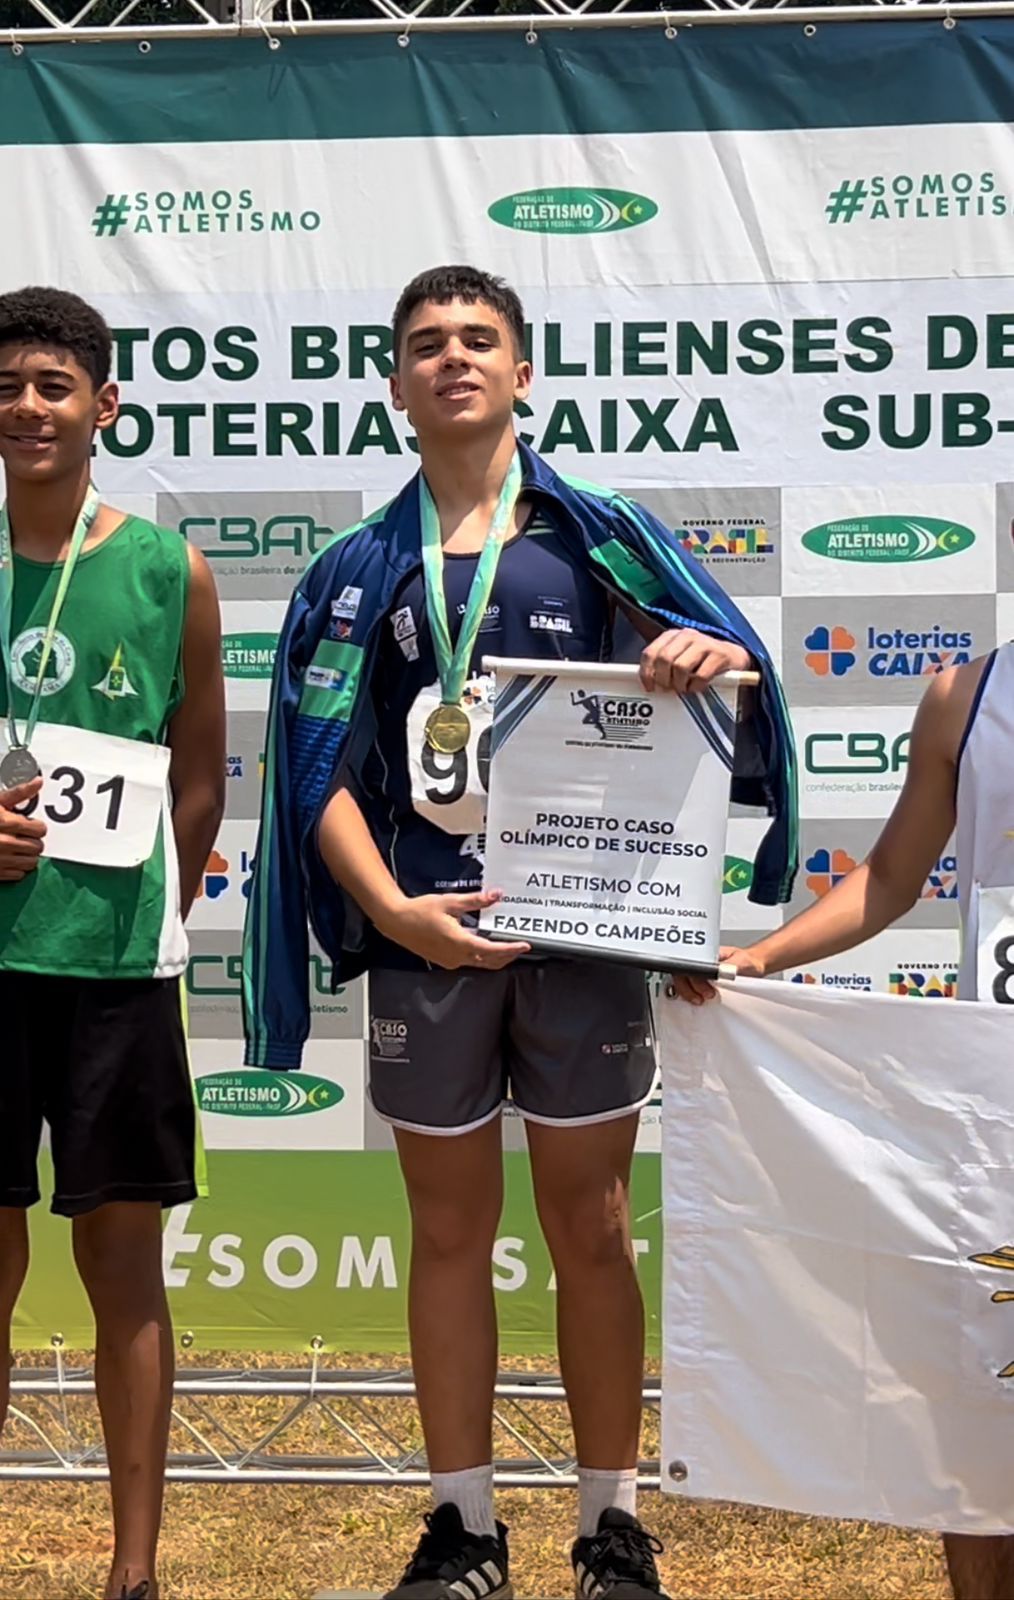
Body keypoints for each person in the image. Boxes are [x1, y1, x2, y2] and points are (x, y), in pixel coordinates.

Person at [244, 264, 796, 1599]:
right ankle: (462, 1529)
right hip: (421, 936)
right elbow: (309, 772)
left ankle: (610, 1528)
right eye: (425, 344)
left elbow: (721, 681)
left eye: (476, 339)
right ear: (393, 384)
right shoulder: (352, 571)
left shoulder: (600, 535)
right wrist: (388, 913)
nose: (451, 359)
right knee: (447, 1233)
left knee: (593, 1226)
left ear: (523, 370)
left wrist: (706, 658)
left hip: (585, 939)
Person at [671, 647, 1014, 1600]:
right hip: (997, 1103)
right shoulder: (963, 696)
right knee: (979, 1402)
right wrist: (763, 960)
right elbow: (895, 873)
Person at [0, 288, 225, 1600]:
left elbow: (197, 779)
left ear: (103, 408)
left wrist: (146, 903)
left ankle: (134, 1571)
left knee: (122, 1268)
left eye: (51, 384)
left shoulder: (166, 570)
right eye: (9, 385)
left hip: (109, 975)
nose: (27, 405)